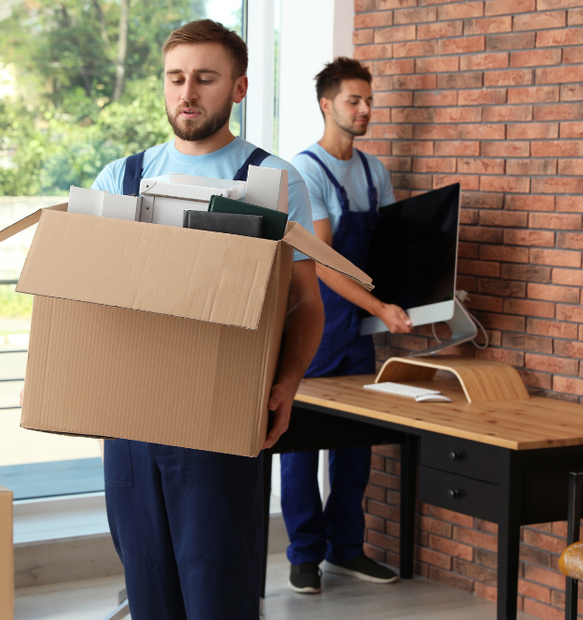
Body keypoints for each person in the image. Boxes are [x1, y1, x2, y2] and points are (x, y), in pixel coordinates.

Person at [90, 20, 325, 620]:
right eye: (175, 78)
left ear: (238, 88)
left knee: (218, 587)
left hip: (223, 412)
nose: (186, 92)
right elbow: (88, 297)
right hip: (132, 418)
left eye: (204, 78)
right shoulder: (121, 178)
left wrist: (289, 383)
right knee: (147, 589)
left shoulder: (271, 182)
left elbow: (305, 302)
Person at [281, 57, 413, 594]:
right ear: (326, 104)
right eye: (353, 100)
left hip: (357, 336)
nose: (364, 110)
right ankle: (304, 556)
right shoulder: (304, 170)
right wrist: (382, 310)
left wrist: (425, 299)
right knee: (299, 449)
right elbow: (323, 263)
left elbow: (388, 251)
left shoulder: (373, 171)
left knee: (355, 449)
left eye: (368, 101)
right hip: (312, 328)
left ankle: (347, 549)